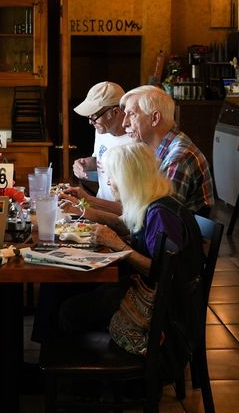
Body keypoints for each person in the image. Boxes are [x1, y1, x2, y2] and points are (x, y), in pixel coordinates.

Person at [55, 142, 204, 335]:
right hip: (146, 288)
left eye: (112, 177)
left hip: (160, 307)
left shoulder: (161, 214)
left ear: (128, 179)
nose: (109, 183)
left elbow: (163, 272)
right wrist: (80, 210)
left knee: (69, 309)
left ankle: (83, 351)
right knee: (63, 289)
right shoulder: (149, 200)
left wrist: (118, 245)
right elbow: (122, 224)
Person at [119, 84, 214, 215]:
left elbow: (159, 216)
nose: (124, 123)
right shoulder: (157, 147)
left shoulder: (178, 158)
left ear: (155, 118)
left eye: (131, 114)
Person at [69, 81, 133, 212]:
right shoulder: (101, 130)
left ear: (116, 112)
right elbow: (100, 159)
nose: (90, 121)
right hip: (100, 206)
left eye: (94, 115)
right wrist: (85, 163)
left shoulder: (136, 140)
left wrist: (88, 200)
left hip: (123, 214)